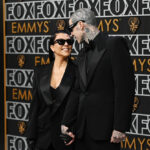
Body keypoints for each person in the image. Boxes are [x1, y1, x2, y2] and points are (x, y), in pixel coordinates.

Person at [61, 8, 135, 150]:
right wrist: (66, 122)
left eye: (71, 28)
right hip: (81, 130)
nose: (71, 34)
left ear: (81, 25)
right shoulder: (82, 52)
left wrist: (120, 127)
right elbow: (77, 90)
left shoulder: (114, 44)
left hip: (105, 131)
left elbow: (125, 87)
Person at [25, 30, 75, 150]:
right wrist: (31, 137)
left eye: (69, 41)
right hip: (42, 138)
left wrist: (73, 131)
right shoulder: (40, 71)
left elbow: (80, 106)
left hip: (67, 138)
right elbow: (35, 106)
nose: (66, 44)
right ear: (52, 47)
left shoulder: (78, 71)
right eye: (61, 41)